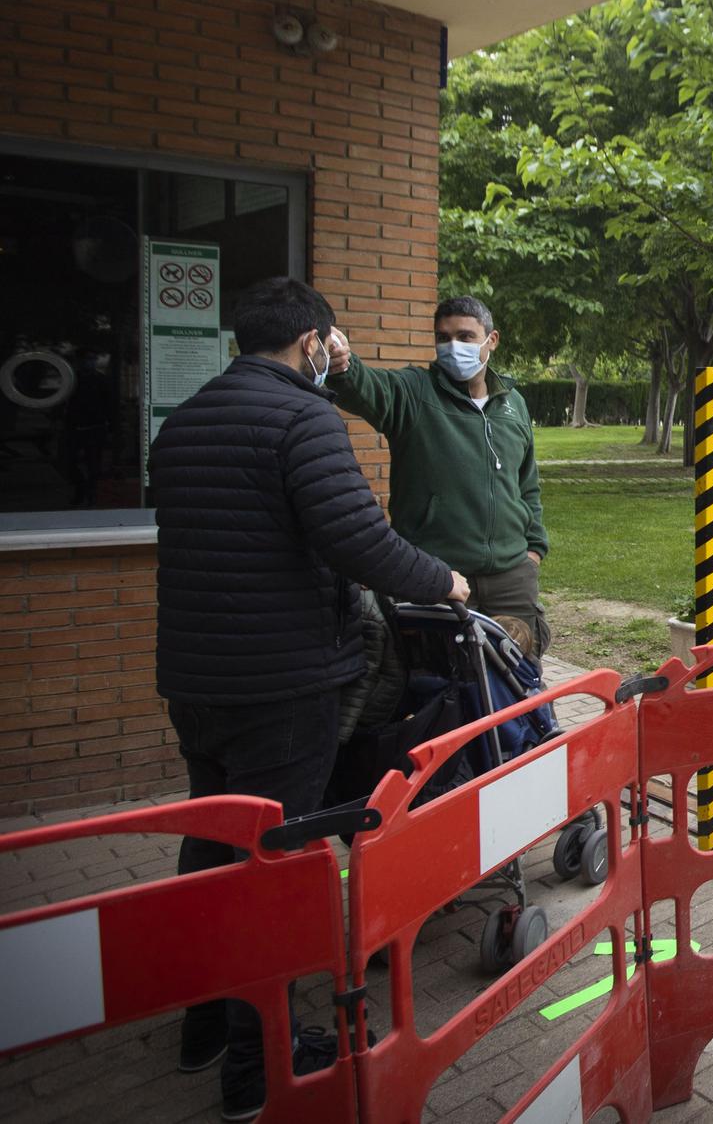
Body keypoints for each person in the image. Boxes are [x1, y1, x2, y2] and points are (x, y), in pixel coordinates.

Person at [152, 277, 468, 1122]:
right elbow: (357, 537)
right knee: (275, 870)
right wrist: (443, 578)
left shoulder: (183, 423)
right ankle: (259, 1066)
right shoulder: (303, 418)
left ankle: (203, 1027)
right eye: (332, 343)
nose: (336, 355)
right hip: (282, 686)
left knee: (210, 845)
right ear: (312, 344)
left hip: (196, 679)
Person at [326, 295, 550, 654]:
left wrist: (534, 549)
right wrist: (342, 367)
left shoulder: (513, 403)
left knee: (520, 683)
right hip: (437, 577)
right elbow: (365, 386)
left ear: (491, 341)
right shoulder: (415, 392)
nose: (452, 347)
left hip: (512, 577)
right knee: (442, 686)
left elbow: (527, 484)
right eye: (443, 338)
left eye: (465, 337)